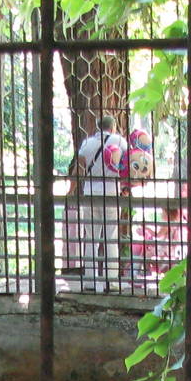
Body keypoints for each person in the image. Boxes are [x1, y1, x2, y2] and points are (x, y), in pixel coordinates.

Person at [64, 114, 128, 291]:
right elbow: (128, 165)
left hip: (90, 192)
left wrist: (71, 191)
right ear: (113, 126)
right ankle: (111, 282)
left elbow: (79, 169)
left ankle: (91, 281)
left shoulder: (87, 143)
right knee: (111, 237)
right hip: (111, 192)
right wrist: (127, 188)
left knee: (91, 238)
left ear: (98, 127)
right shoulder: (120, 142)